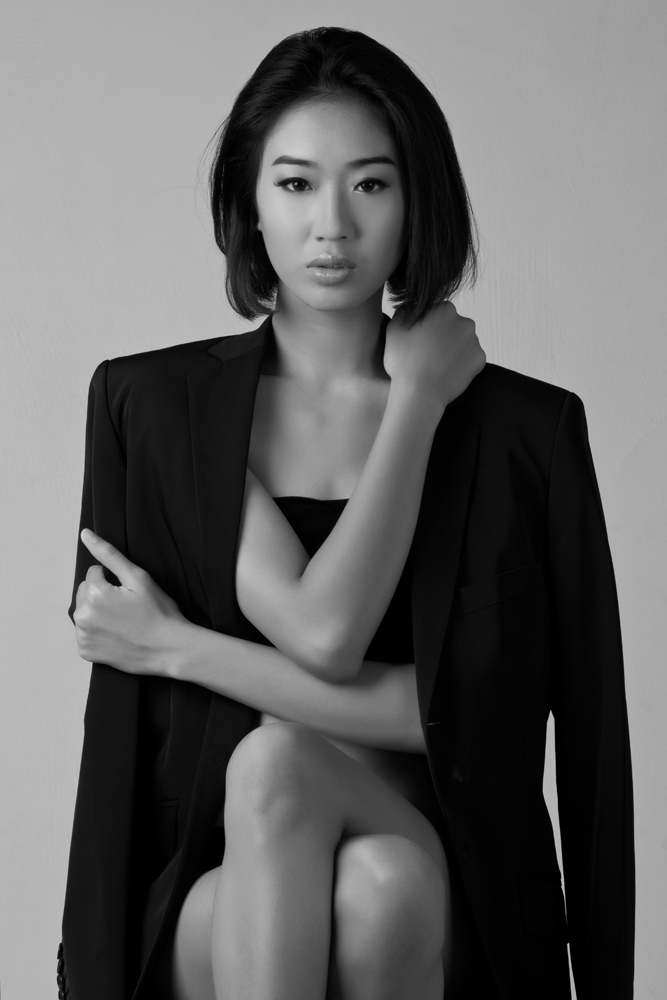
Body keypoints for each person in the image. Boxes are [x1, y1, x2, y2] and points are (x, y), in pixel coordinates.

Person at [57, 26, 635, 1000]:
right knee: (289, 787)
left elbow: (556, 729)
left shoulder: (525, 433)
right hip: (219, 887)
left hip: (449, 890)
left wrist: (175, 646)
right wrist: (90, 972)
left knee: (366, 860)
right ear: (249, 201)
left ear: (416, 202)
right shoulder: (153, 410)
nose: (331, 225)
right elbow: (295, 653)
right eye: (294, 184)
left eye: (370, 183)